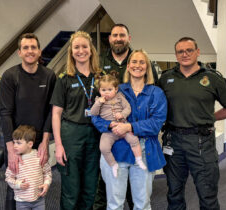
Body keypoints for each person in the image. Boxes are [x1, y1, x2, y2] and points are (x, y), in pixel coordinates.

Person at [158, 37, 226, 210]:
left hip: (201, 143)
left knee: (207, 193)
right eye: (180, 51)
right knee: (174, 193)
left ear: (197, 52)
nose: (185, 54)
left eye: (189, 50)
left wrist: (211, 118)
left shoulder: (212, 78)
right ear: (176, 55)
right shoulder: (166, 78)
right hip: (173, 142)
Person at [92, 49, 167, 209]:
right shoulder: (115, 89)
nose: (137, 65)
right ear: (128, 66)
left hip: (144, 150)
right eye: (134, 62)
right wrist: (109, 125)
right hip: (115, 150)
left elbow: (156, 123)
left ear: (147, 67)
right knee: (114, 204)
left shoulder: (156, 93)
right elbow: (95, 115)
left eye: (142, 62)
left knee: (142, 204)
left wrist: (129, 126)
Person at [0, 33, 56, 210]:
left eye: (33, 47)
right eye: (26, 48)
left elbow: (51, 111)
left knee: (37, 180)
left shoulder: (49, 76)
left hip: (39, 141)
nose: (30, 51)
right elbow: (5, 113)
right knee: (16, 183)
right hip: (17, 143)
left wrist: (45, 142)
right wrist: (11, 149)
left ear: (39, 51)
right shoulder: (10, 76)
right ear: (19, 52)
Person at [50, 31, 102, 210]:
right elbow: (56, 114)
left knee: (90, 188)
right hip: (71, 135)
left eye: (85, 47)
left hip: (95, 135)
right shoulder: (64, 79)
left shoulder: (100, 77)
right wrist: (58, 145)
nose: (81, 51)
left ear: (91, 50)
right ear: (71, 52)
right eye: (76, 47)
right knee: (71, 188)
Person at [90, 74, 146, 178]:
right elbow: (93, 113)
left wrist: (122, 114)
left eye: (110, 89)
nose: (106, 92)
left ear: (116, 89)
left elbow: (128, 108)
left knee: (134, 140)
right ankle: (113, 164)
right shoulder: (98, 100)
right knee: (103, 147)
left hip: (123, 126)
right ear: (99, 90)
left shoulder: (120, 97)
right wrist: (98, 103)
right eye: (103, 90)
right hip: (108, 132)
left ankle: (139, 160)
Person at [5, 125, 52, 210]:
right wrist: (17, 184)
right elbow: (8, 178)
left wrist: (46, 184)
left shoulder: (39, 157)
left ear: (30, 144)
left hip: (39, 199)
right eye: (14, 142)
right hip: (21, 201)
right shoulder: (15, 160)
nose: (14, 146)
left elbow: (47, 172)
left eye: (18, 143)